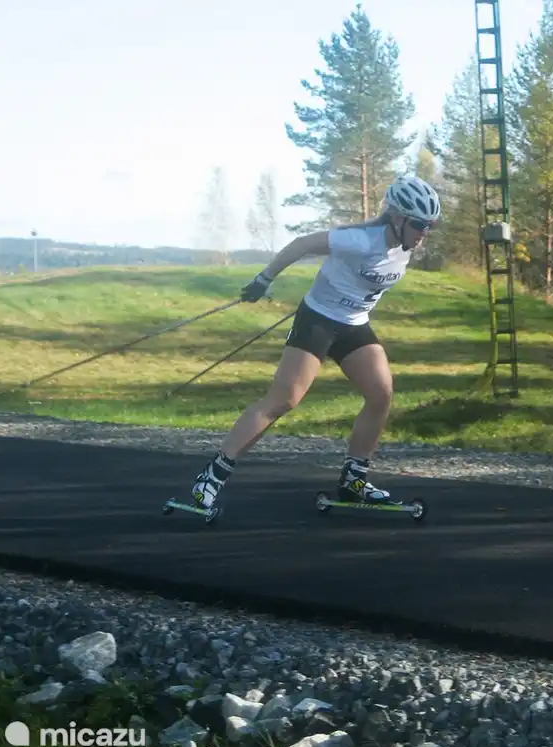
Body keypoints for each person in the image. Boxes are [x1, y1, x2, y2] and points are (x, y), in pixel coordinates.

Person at [188, 174, 441, 510]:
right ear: (397, 217)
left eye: (430, 226)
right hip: (319, 320)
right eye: (420, 224)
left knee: (381, 394)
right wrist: (264, 278)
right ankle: (213, 475)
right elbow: (303, 244)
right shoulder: (360, 240)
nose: (425, 233)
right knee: (283, 401)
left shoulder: (404, 247)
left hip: (354, 325)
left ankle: (354, 478)